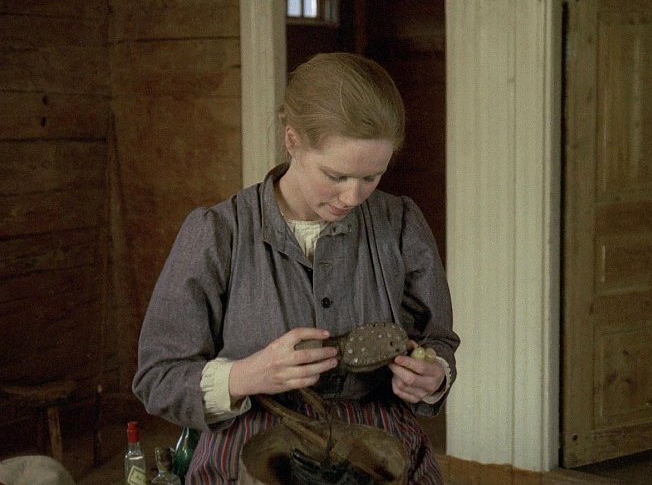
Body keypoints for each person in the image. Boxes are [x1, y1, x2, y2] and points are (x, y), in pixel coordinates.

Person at [132, 52, 459, 484]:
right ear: (292, 141)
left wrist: (432, 376)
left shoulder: (400, 224)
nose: (353, 197)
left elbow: (437, 340)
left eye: (371, 177)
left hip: (379, 447)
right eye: (335, 175)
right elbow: (158, 378)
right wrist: (247, 375)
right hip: (247, 443)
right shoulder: (218, 233)